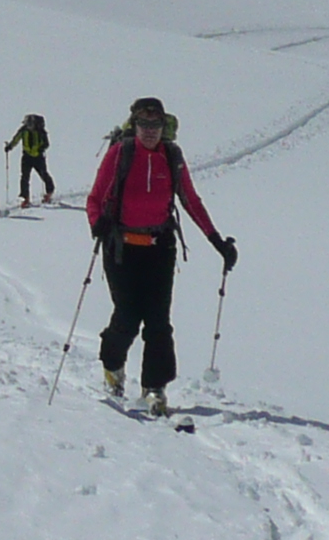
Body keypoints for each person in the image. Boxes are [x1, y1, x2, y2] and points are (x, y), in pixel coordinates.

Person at [84, 97, 234, 414]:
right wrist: (97, 223)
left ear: (164, 127)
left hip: (160, 247)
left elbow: (190, 200)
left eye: (156, 125)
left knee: (158, 322)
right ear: (134, 125)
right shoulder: (120, 153)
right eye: (144, 125)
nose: (150, 131)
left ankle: (154, 387)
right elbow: (95, 197)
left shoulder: (172, 156)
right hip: (121, 248)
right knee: (127, 315)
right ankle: (112, 364)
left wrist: (216, 241)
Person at [10, 113, 54, 206]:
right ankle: (25, 197)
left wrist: (41, 148)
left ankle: (49, 191)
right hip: (26, 157)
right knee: (24, 177)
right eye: (27, 124)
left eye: (30, 124)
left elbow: (46, 143)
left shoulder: (40, 131)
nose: (28, 126)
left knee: (43, 174)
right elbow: (16, 139)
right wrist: (10, 146)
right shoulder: (23, 131)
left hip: (38, 157)